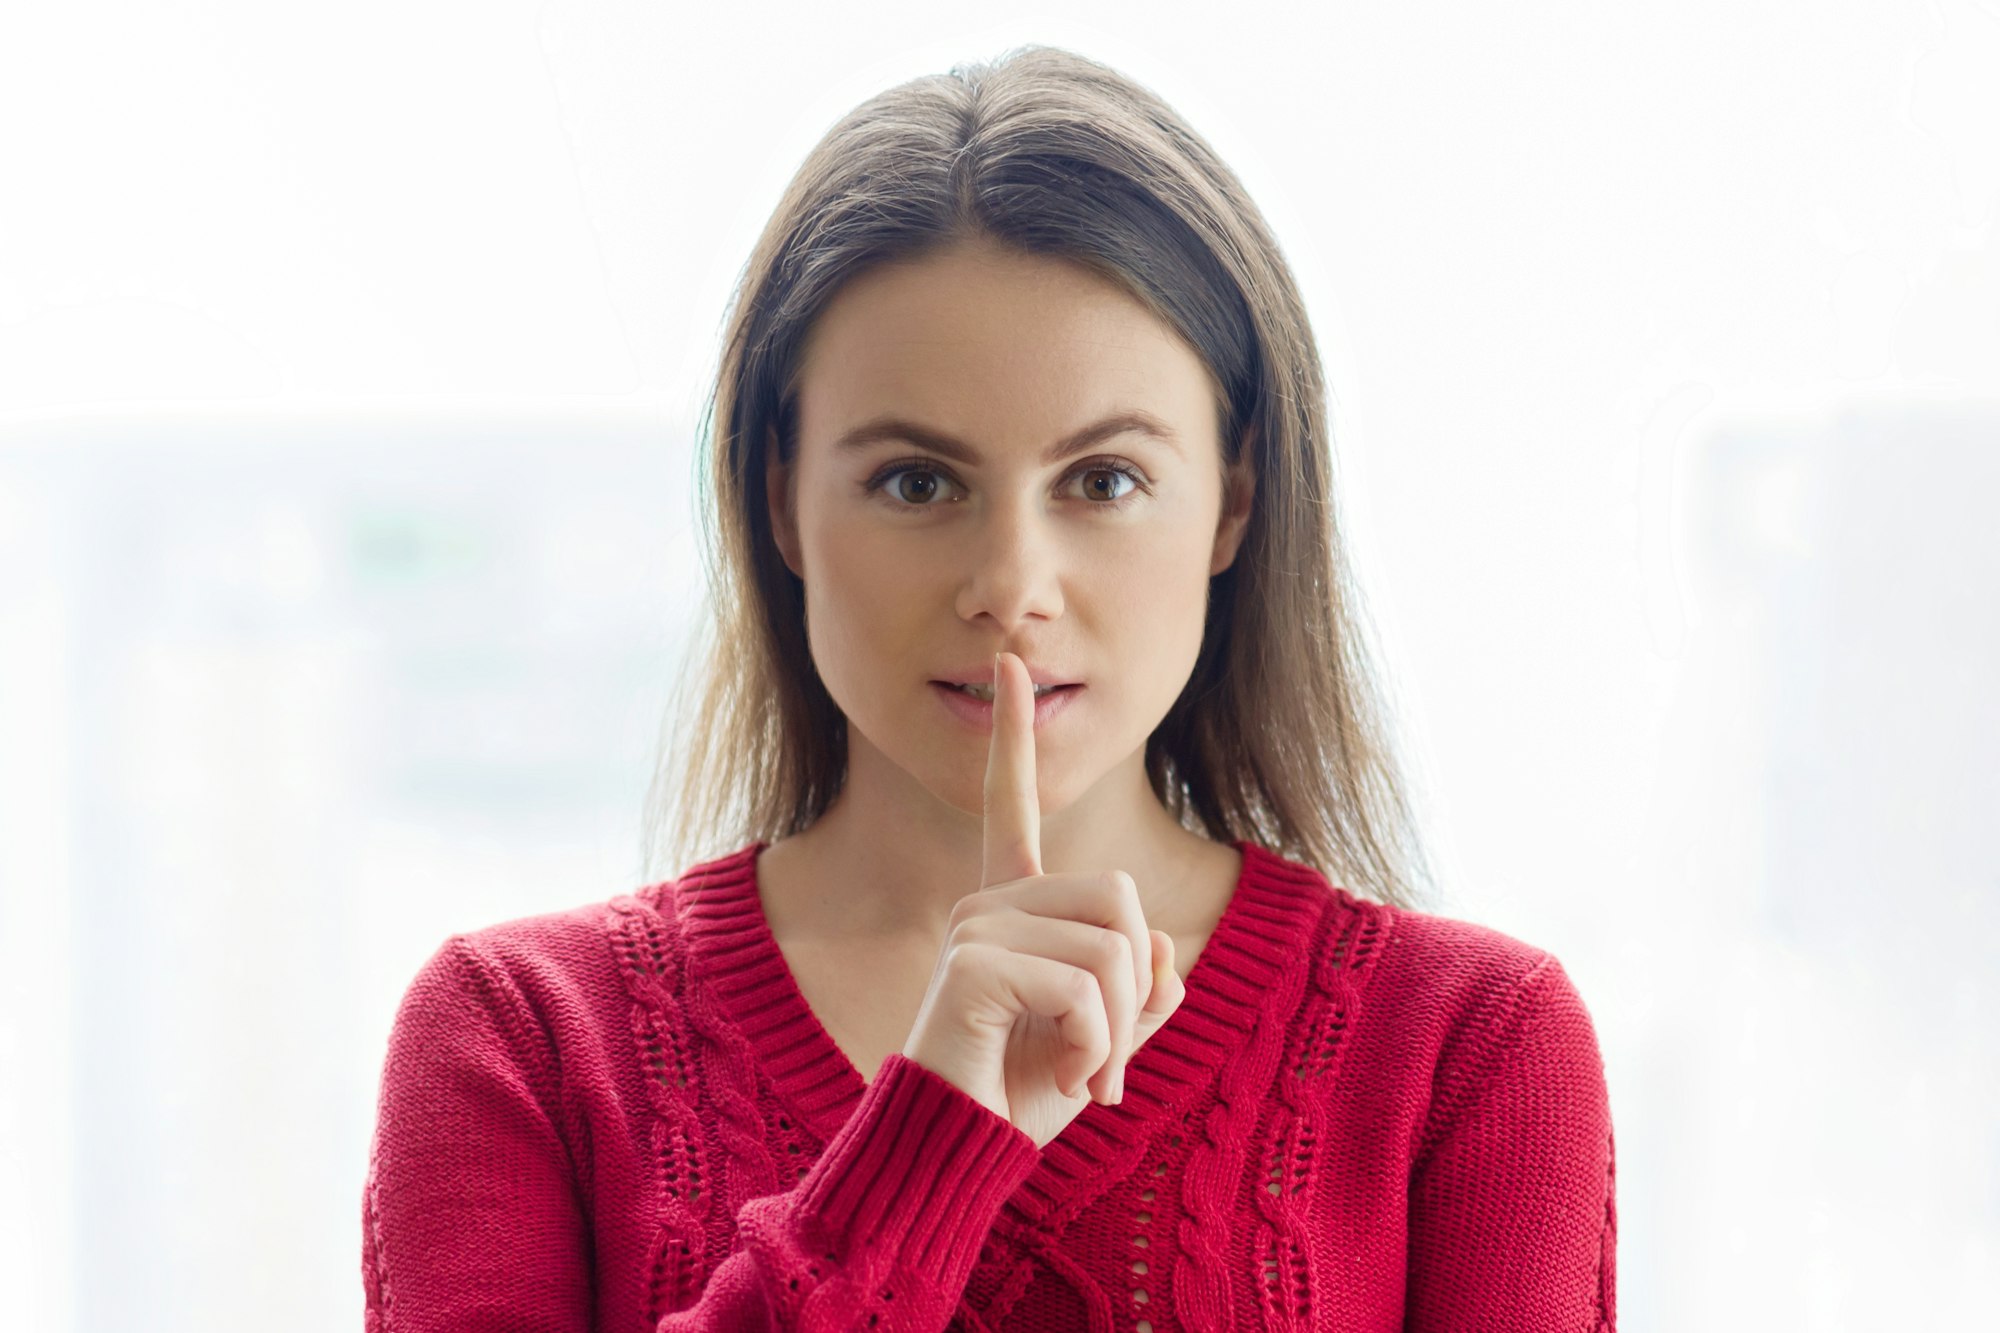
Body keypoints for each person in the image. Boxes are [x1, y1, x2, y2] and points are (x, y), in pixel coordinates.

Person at [361, 44, 1616, 1332]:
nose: (1011, 584)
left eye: (1105, 480)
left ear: (1234, 499)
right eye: (916, 481)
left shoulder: (1470, 1051)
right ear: (780, 499)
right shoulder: (521, 1040)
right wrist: (927, 1144)